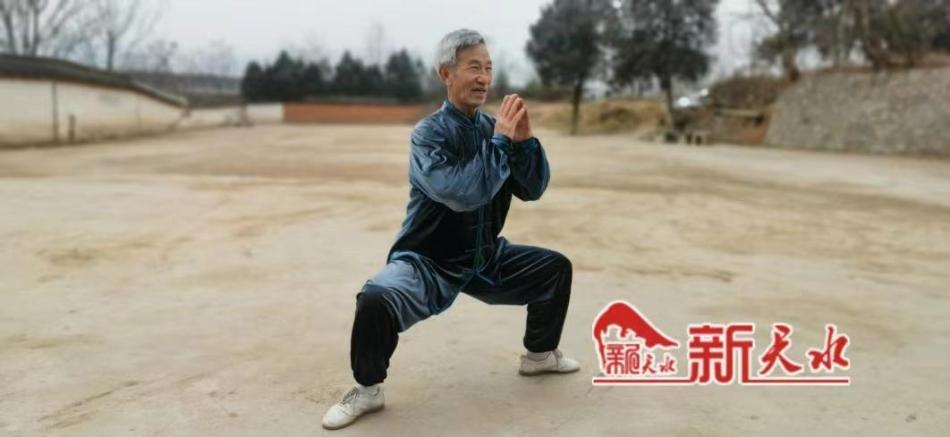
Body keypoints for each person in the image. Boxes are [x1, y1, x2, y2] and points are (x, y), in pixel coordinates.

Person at [322, 29, 579, 430]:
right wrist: (501, 143)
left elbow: (532, 189)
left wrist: (525, 143)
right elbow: (463, 193)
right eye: (474, 67)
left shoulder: (495, 129)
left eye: (488, 68)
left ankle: (539, 356)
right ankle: (368, 390)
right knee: (375, 298)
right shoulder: (429, 135)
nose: (484, 78)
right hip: (429, 262)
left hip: (484, 257)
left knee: (554, 269)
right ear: (446, 73)